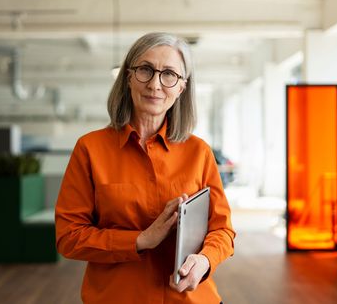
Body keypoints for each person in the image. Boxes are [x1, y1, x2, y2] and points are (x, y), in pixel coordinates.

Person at [55, 32, 235, 304]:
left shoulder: (199, 152)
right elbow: (69, 237)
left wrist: (205, 260)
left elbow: (223, 230)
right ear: (128, 76)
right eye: (146, 70)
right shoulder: (89, 149)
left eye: (169, 74)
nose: (155, 84)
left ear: (181, 88)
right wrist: (140, 240)